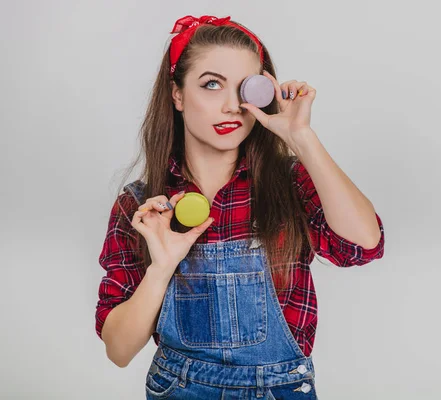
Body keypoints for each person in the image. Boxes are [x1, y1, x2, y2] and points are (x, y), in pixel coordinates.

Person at [95, 14, 385, 399]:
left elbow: (364, 245)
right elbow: (119, 350)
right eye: (212, 84)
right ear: (177, 95)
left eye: (246, 88)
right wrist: (161, 267)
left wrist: (301, 137)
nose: (233, 106)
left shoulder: (290, 184)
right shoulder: (142, 206)